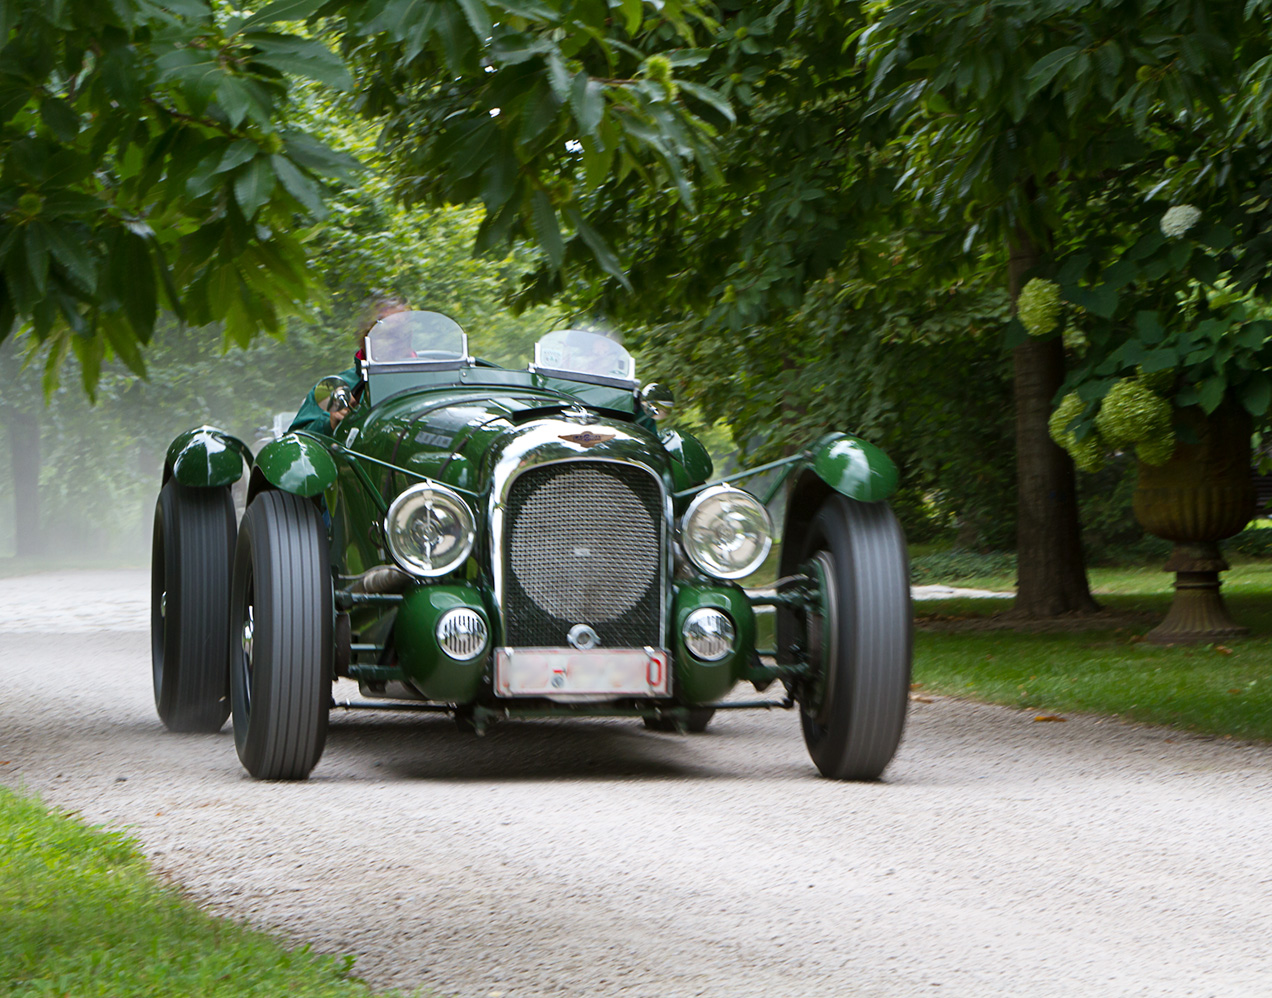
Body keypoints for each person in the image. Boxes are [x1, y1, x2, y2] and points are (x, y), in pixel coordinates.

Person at [288, 294, 409, 435]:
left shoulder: (435, 379)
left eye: (403, 330)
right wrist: (330, 424)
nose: (397, 339)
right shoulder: (337, 387)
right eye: (386, 330)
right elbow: (296, 443)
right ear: (365, 336)